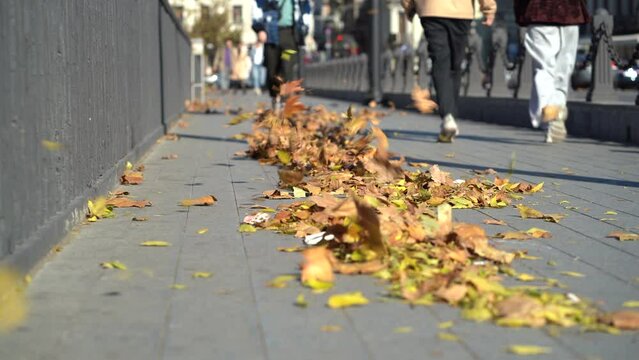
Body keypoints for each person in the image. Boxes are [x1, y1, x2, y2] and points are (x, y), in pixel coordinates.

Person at [402, 0, 496, 142]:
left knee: (440, 61)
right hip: (461, 11)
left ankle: (448, 116)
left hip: (431, 9)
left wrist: (409, 7)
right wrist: (488, 8)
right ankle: (450, 114)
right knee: (455, 65)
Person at [514, 0, 590, 143]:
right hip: (570, 12)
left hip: (540, 12)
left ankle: (551, 113)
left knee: (545, 67)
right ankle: (558, 109)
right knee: (564, 68)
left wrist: (521, 14)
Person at [252, 0, 312, 111]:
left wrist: (304, 30)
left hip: (289, 36)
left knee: (287, 67)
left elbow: (306, 9)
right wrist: (259, 29)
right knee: (272, 72)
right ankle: (275, 97)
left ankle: (285, 101)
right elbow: (257, 7)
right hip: (271, 35)